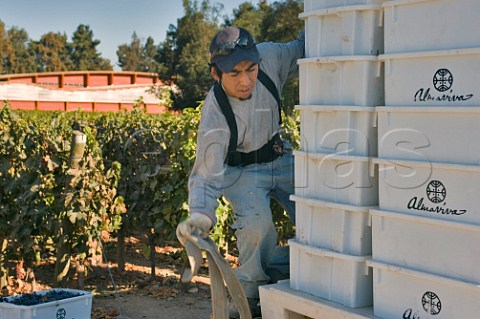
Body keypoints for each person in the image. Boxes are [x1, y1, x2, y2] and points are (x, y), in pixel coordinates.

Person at [177, 25, 304, 318]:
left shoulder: (271, 57)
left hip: (279, 154)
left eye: (251, 69)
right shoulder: (215, 112)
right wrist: (199, 214)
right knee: (258, 229)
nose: (245, 80)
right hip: (241, 170)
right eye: (234, 74)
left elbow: (305, 45)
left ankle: (300, 271)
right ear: (216, 74)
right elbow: (206, 174)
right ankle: (246, 299)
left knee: (319, 209)